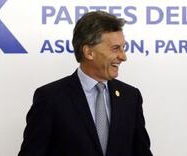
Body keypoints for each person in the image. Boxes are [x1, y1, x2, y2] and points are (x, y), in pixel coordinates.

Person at [18, 11, 152, 156]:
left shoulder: (131, 97)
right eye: (115, 48)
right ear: (89, 52)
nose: (123, 56)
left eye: (123, 48)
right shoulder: (50, 98)